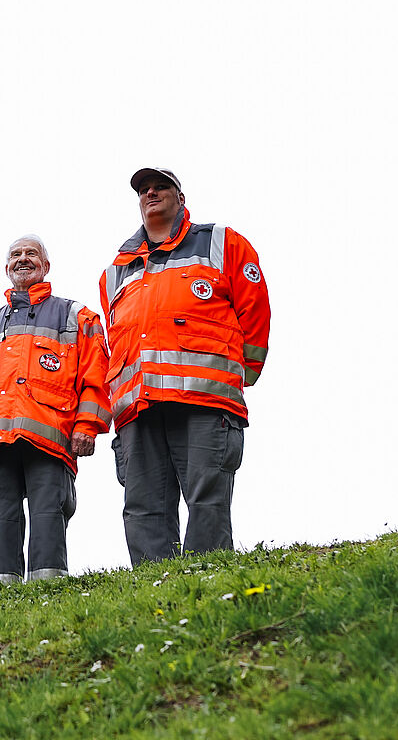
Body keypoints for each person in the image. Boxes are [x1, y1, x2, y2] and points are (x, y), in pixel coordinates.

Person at [100, 167, 272, 564]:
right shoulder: (114, 272)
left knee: (207, 495)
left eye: (161, 186)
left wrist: (240, 374)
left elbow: (254, 309)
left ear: (181, 197)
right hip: (138, 407)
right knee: (142, 505)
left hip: (205, 399)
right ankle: (153, 590)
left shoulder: (221, 242)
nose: (151, 193)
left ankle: (209, 579)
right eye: (144, 189)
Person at [0, 235, 111, 585]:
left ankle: (49, 590)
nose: (23, 259)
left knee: (49, 515)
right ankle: (2, 599)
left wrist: (87, 425)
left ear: (46, 266)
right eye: (15, 254)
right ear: (6, 268)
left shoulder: (76, 315)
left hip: (51, 439)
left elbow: (97, 374)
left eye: (32, 254)